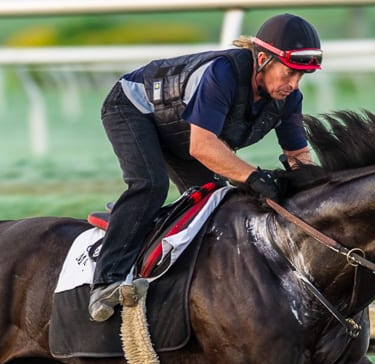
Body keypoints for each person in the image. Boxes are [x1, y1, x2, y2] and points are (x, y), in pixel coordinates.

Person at [89, 13, 323, 322]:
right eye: (289, 73)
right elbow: (202, 146)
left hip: (181, 130)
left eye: (301, 77)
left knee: (214, 206)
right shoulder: (223, 74)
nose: (293, 84)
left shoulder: (289, 98)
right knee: (150, 184)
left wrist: (315, 196)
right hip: (131, 109)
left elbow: (298, 156)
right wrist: (253, 176)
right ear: (263, 59)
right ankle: (106, 281)